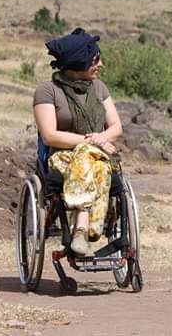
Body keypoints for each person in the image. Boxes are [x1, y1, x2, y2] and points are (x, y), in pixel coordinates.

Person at [33, 27, 123, 256]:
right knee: (89, 159)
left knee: (97, 162)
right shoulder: (47, 91)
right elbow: (50, 135)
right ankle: (84, 230)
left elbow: (116, 127)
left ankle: (81, 231)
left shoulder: (100, 89)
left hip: (98, 153)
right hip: (61, 155)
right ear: (79, 61)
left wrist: (101, 138)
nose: (100, 64)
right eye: (96, 59)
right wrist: (90, 142)